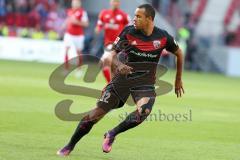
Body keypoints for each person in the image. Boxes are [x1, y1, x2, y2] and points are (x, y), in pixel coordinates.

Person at [57, 4, 184, 156]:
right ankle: (70, 145)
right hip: (122, 80)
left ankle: (112, 133)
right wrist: (119, 64)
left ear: (149, 19)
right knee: (95, 115)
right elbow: (110, 55)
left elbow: (179, 53)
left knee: (144, 111)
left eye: (138, 16)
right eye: (134, 15)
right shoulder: (129, 32)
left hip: (145, 83)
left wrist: (178, 80)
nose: (134, 19)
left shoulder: (163, 37)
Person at [95, 0, 130, 83]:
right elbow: (98, 26)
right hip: (107, 44)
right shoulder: (104, 13)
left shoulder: (124, 15)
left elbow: (130, 28)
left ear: (119, 3)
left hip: (118, 43)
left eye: (117, 2)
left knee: (103, 62)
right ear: (110, 2)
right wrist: (98, 29)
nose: (115, 3)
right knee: (112, 67)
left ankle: (110, 85)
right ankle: (113, 85)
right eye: (114, 1)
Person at [63, 0, 89, 74]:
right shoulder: (69, 11)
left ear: (79, 4)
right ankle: (66, 68)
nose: (74, 4)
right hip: (69, 34)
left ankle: (79, 69)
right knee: (66, 50)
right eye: (73, 3)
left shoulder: (82, 12)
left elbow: (86, 24)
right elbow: (68, 19)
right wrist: (64, 24)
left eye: (76, 3)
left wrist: (77, 22)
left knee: (79, 52)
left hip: (78, 35)